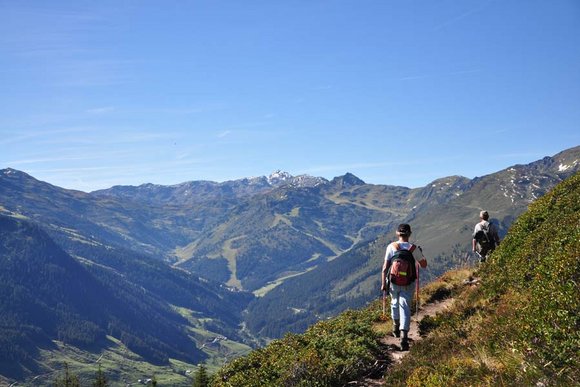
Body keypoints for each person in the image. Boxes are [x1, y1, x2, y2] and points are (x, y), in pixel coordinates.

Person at [381, 223, 427, 351]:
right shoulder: (413, 248)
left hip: (394, 281)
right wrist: (420, 254)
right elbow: (423, 265)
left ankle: (395, 328)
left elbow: (385, 267)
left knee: (394, 303)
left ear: (397, 233)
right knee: (405, 307)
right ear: (409, 234)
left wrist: (383, 284)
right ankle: (404, 337)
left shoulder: (391, 247)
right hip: (408, 282)